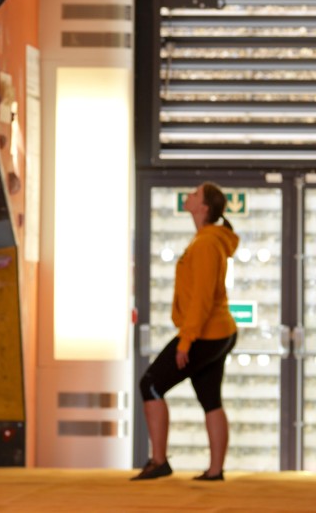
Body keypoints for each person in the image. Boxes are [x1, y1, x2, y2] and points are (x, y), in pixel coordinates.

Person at [133, 182, 239, 481]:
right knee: (210, 398)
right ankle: (215, 470)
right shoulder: (208, 239)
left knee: (151, 383)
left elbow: (202, 299)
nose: (189, 197)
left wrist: (186, 341)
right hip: (219, 332)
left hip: (206, 334)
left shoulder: (206, 244)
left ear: (203, 208)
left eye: (194, 194)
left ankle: (159, 460)